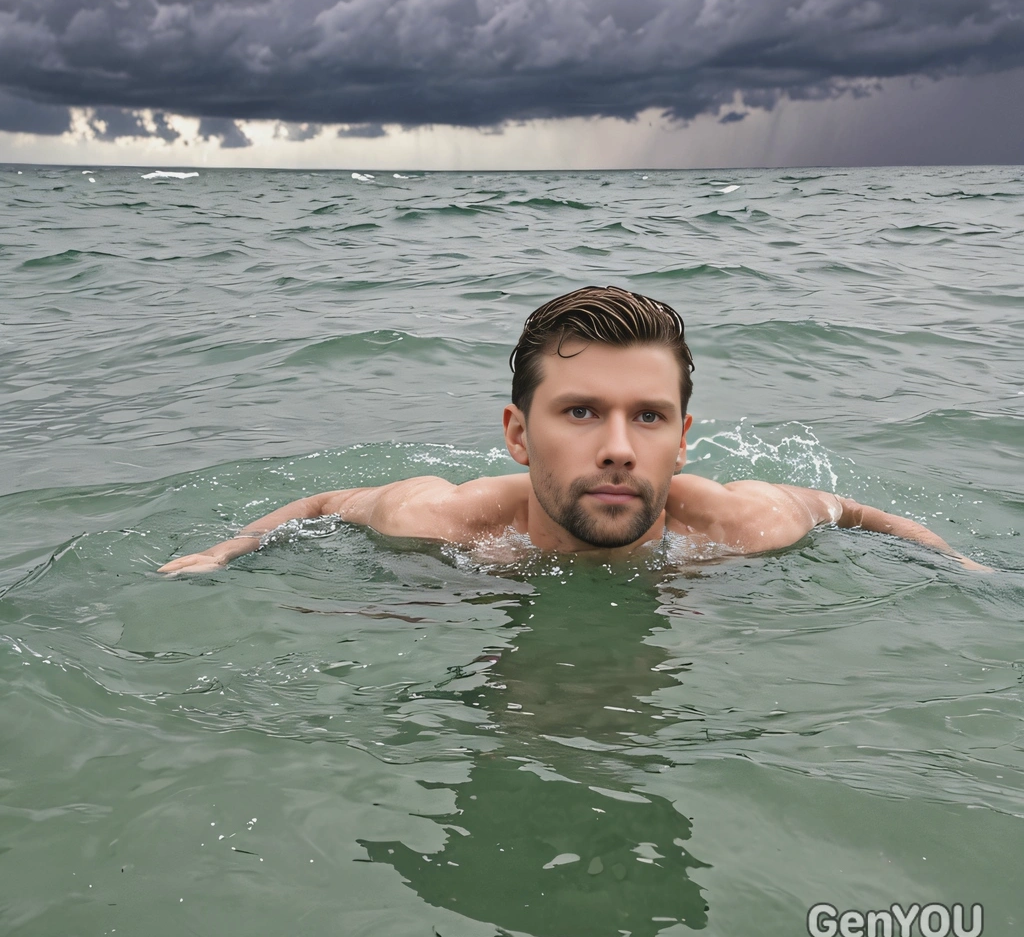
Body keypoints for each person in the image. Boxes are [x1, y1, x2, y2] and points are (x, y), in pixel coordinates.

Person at [158, 285, 986, 574]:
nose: (620, 446)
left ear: (685, 438)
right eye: (581, 412)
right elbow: (323, 502)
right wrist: (224, 552)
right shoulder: (435, 520)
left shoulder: (747, 524)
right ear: (519, 435)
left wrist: (955, 561)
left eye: (649, 417)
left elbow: (849, 511)